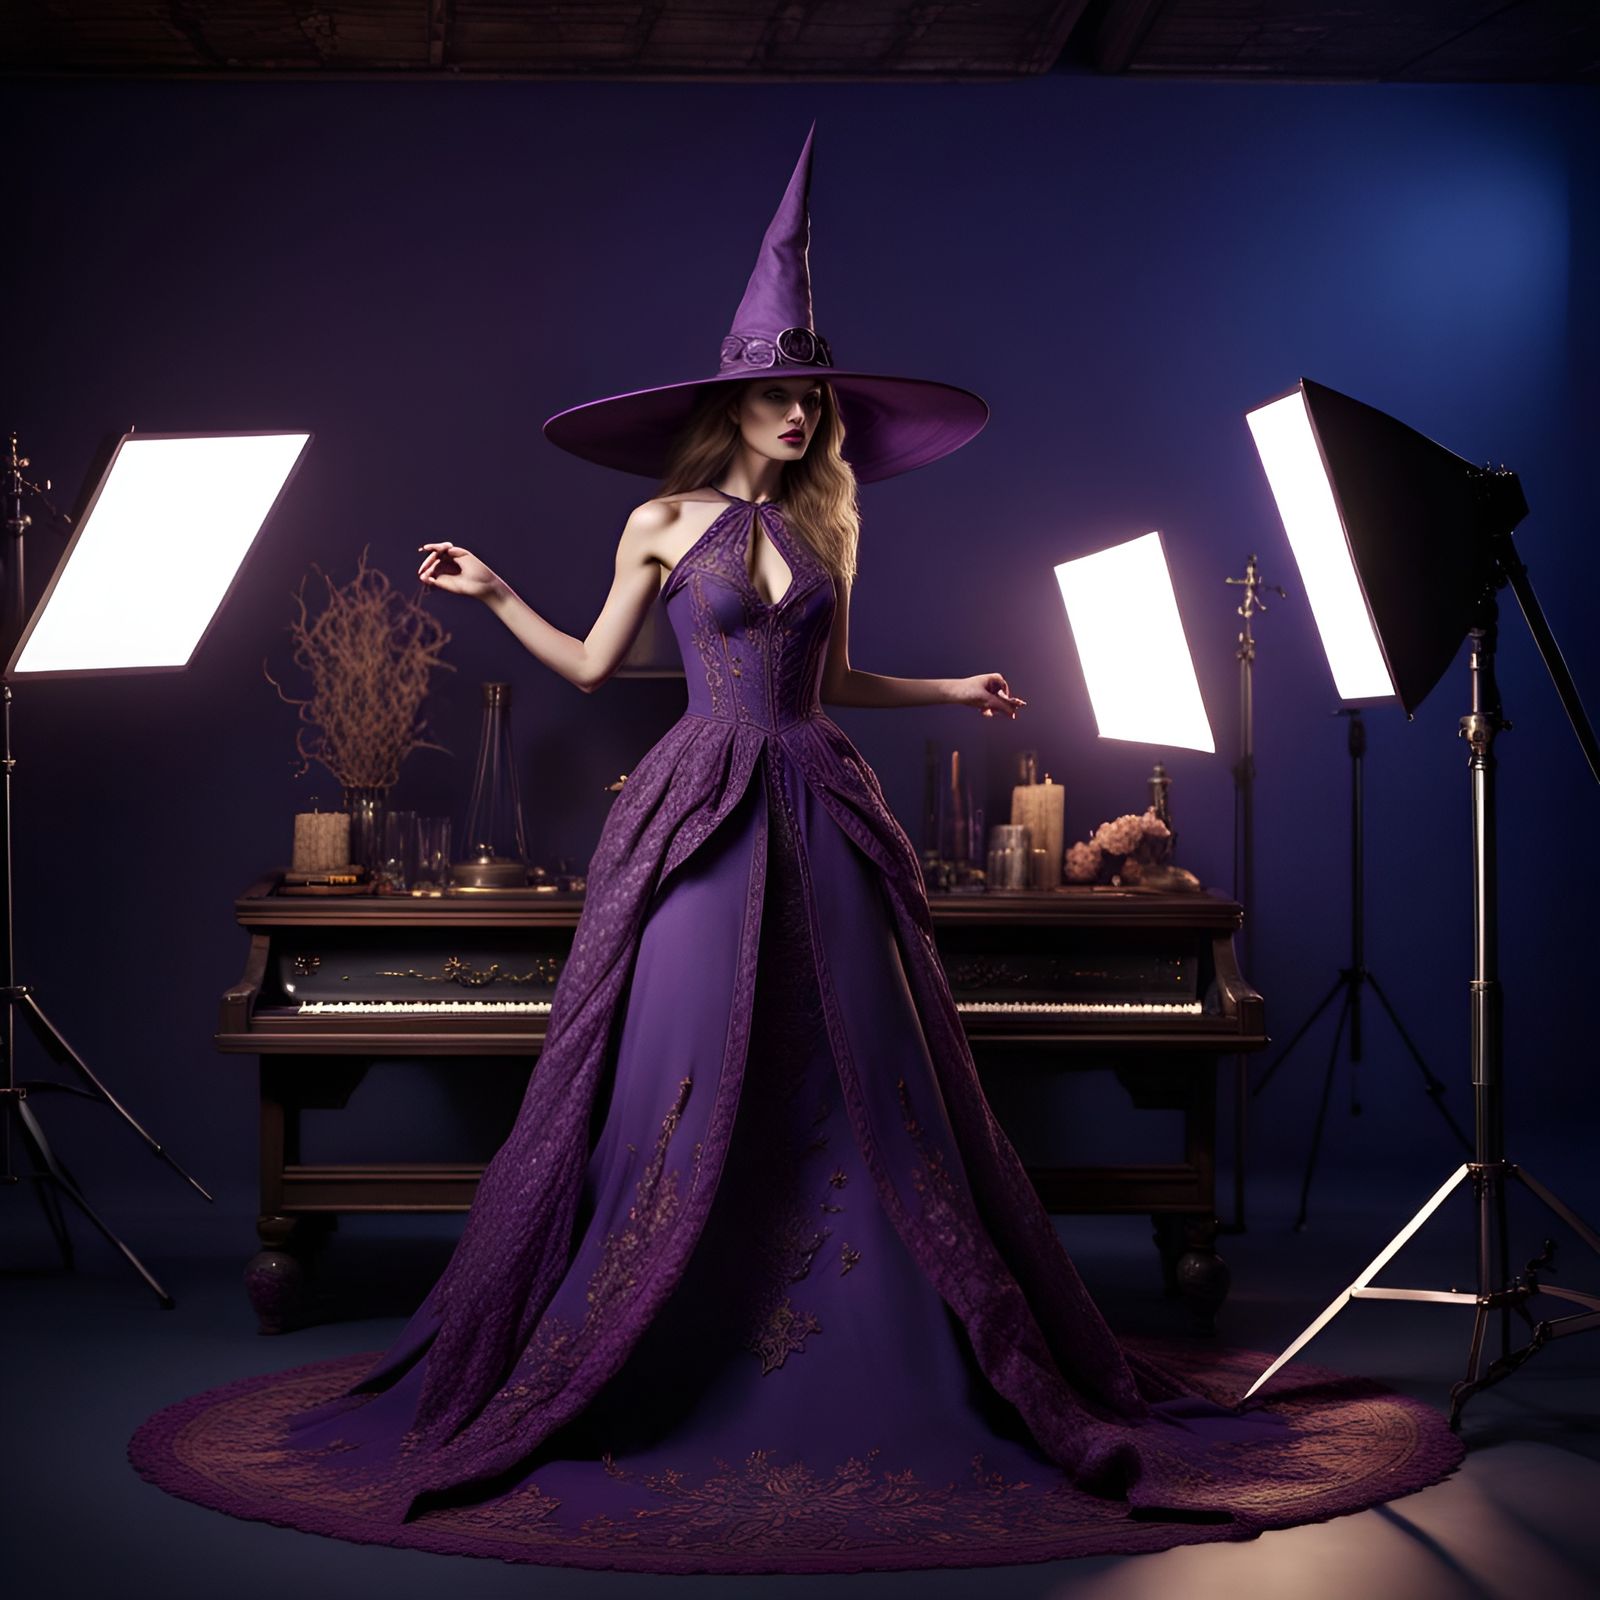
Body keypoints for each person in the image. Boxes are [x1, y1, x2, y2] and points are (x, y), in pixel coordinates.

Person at [128, 126, 1462, 1574]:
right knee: (689, 1058)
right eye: (782, 397)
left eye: (815, 401)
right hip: (703, 801)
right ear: (736, 400)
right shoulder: (661, 519)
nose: (804, 419)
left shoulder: (829, 526)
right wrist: (497, 590)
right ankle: (664, 1333)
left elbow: (841, 678)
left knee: (860, 1061)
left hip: (817, 797)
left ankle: (891, 1340)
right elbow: (588, 670)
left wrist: (952, 688)